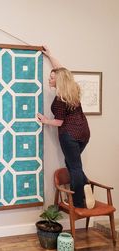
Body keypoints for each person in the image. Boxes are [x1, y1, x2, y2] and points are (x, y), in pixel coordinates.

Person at [37, 46, 95, 209]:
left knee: (74, 166)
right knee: (72, 163)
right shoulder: (73, 89)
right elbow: (61, 70)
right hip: (84, 133)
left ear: (58, 80)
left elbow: (59, 122)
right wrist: (50, 56)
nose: (49, 79)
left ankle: (78, 202)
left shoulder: (60, 99)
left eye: (51, 78)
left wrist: (45, 120)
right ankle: (86, 187)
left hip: (69, 134)